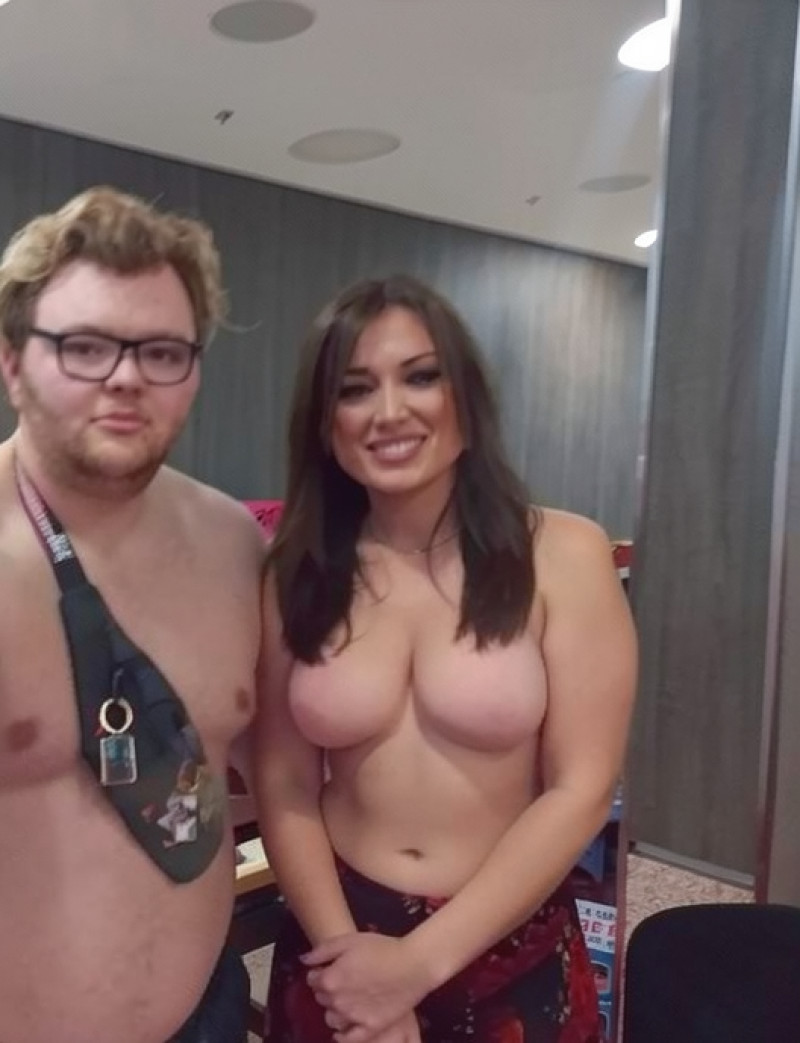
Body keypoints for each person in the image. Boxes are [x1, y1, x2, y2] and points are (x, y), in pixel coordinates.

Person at [256, 274, 637, 1043]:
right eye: (355, 389)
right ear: (325, 421)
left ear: (467, 396)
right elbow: (283, 778)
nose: (389, 411)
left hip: (506, 935)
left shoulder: (565, 554)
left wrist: (415, 965)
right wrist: (351, 967)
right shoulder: (296, 568)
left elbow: (582, 785)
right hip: (337, 943)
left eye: (421, 376)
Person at [0, 187, 265, 1043]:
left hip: (206, 1014)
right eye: (84, 346)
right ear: (12, 361)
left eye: (161, 351)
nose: (125, 377)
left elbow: (287, 767)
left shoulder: (234, 543)